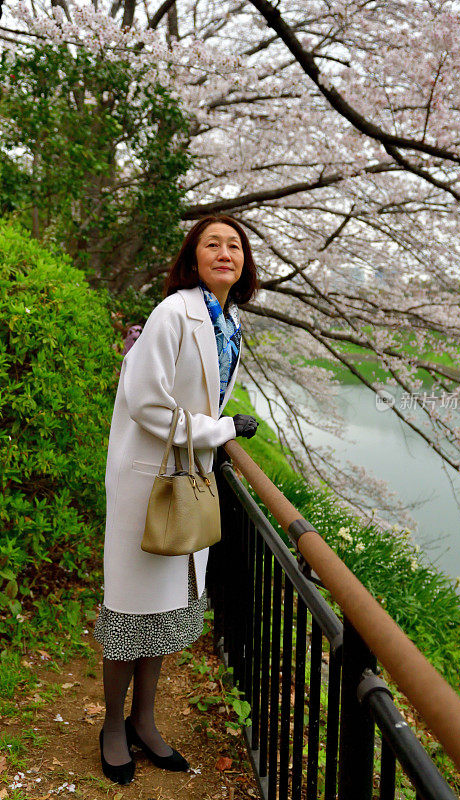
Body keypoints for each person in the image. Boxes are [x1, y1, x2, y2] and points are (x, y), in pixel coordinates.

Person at [93, 214, 259, 785]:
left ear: (244, 264)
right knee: (131, 605)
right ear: (193, 257)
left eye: (234, 246)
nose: (224, 252)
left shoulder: (230, 322)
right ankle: (113, 725)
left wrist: (214, 432)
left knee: (167, 606)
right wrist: (220, 430)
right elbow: (145, 400)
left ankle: (144, 719)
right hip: (149, 480)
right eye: (212, 243)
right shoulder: (174, 312)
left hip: (186, 479)